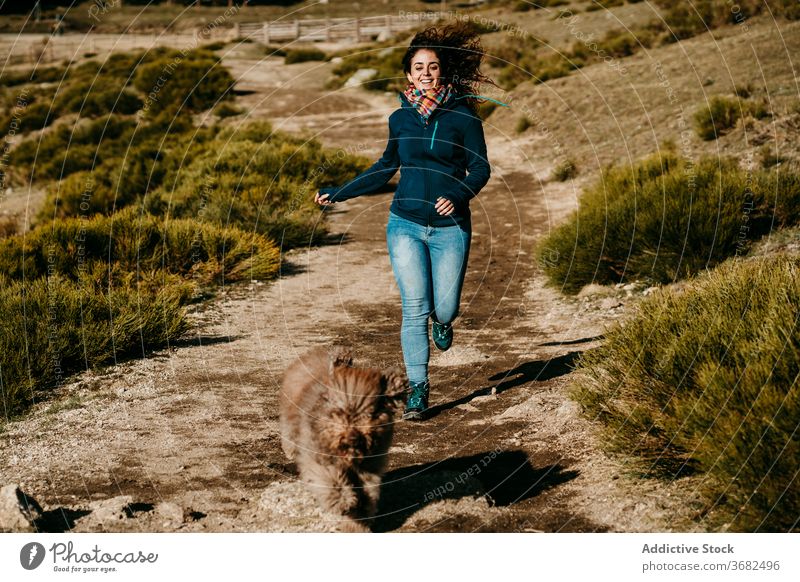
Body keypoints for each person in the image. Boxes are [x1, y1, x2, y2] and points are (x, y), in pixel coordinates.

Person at [314, 23, 504, 420]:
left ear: (443, 72)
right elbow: (385, 168)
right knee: (414, 306)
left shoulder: (464, 118)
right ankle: (418, 389)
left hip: (450, 229)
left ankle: (444, 320)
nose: (425, 74)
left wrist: (457, 195)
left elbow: (480, 169)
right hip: (405, 223)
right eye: (418, 67)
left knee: (445, 308)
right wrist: (340, 191)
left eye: (432, 67)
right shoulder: (400, 118)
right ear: (408, 75)